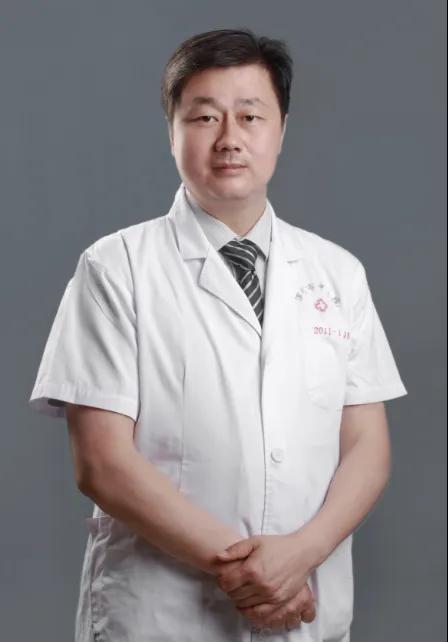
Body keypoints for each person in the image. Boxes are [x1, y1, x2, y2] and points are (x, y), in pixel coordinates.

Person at [28, 28, 408, 642]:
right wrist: (252, 574)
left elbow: (368, 446)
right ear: (172, 132)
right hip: (161, 615)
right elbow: (102, 463)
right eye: (204, 117)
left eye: (250, 116)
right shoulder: (116, 267)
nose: (229, 138)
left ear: (281, 129)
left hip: (305, 605)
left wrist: (300, 555)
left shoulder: (338, 273)